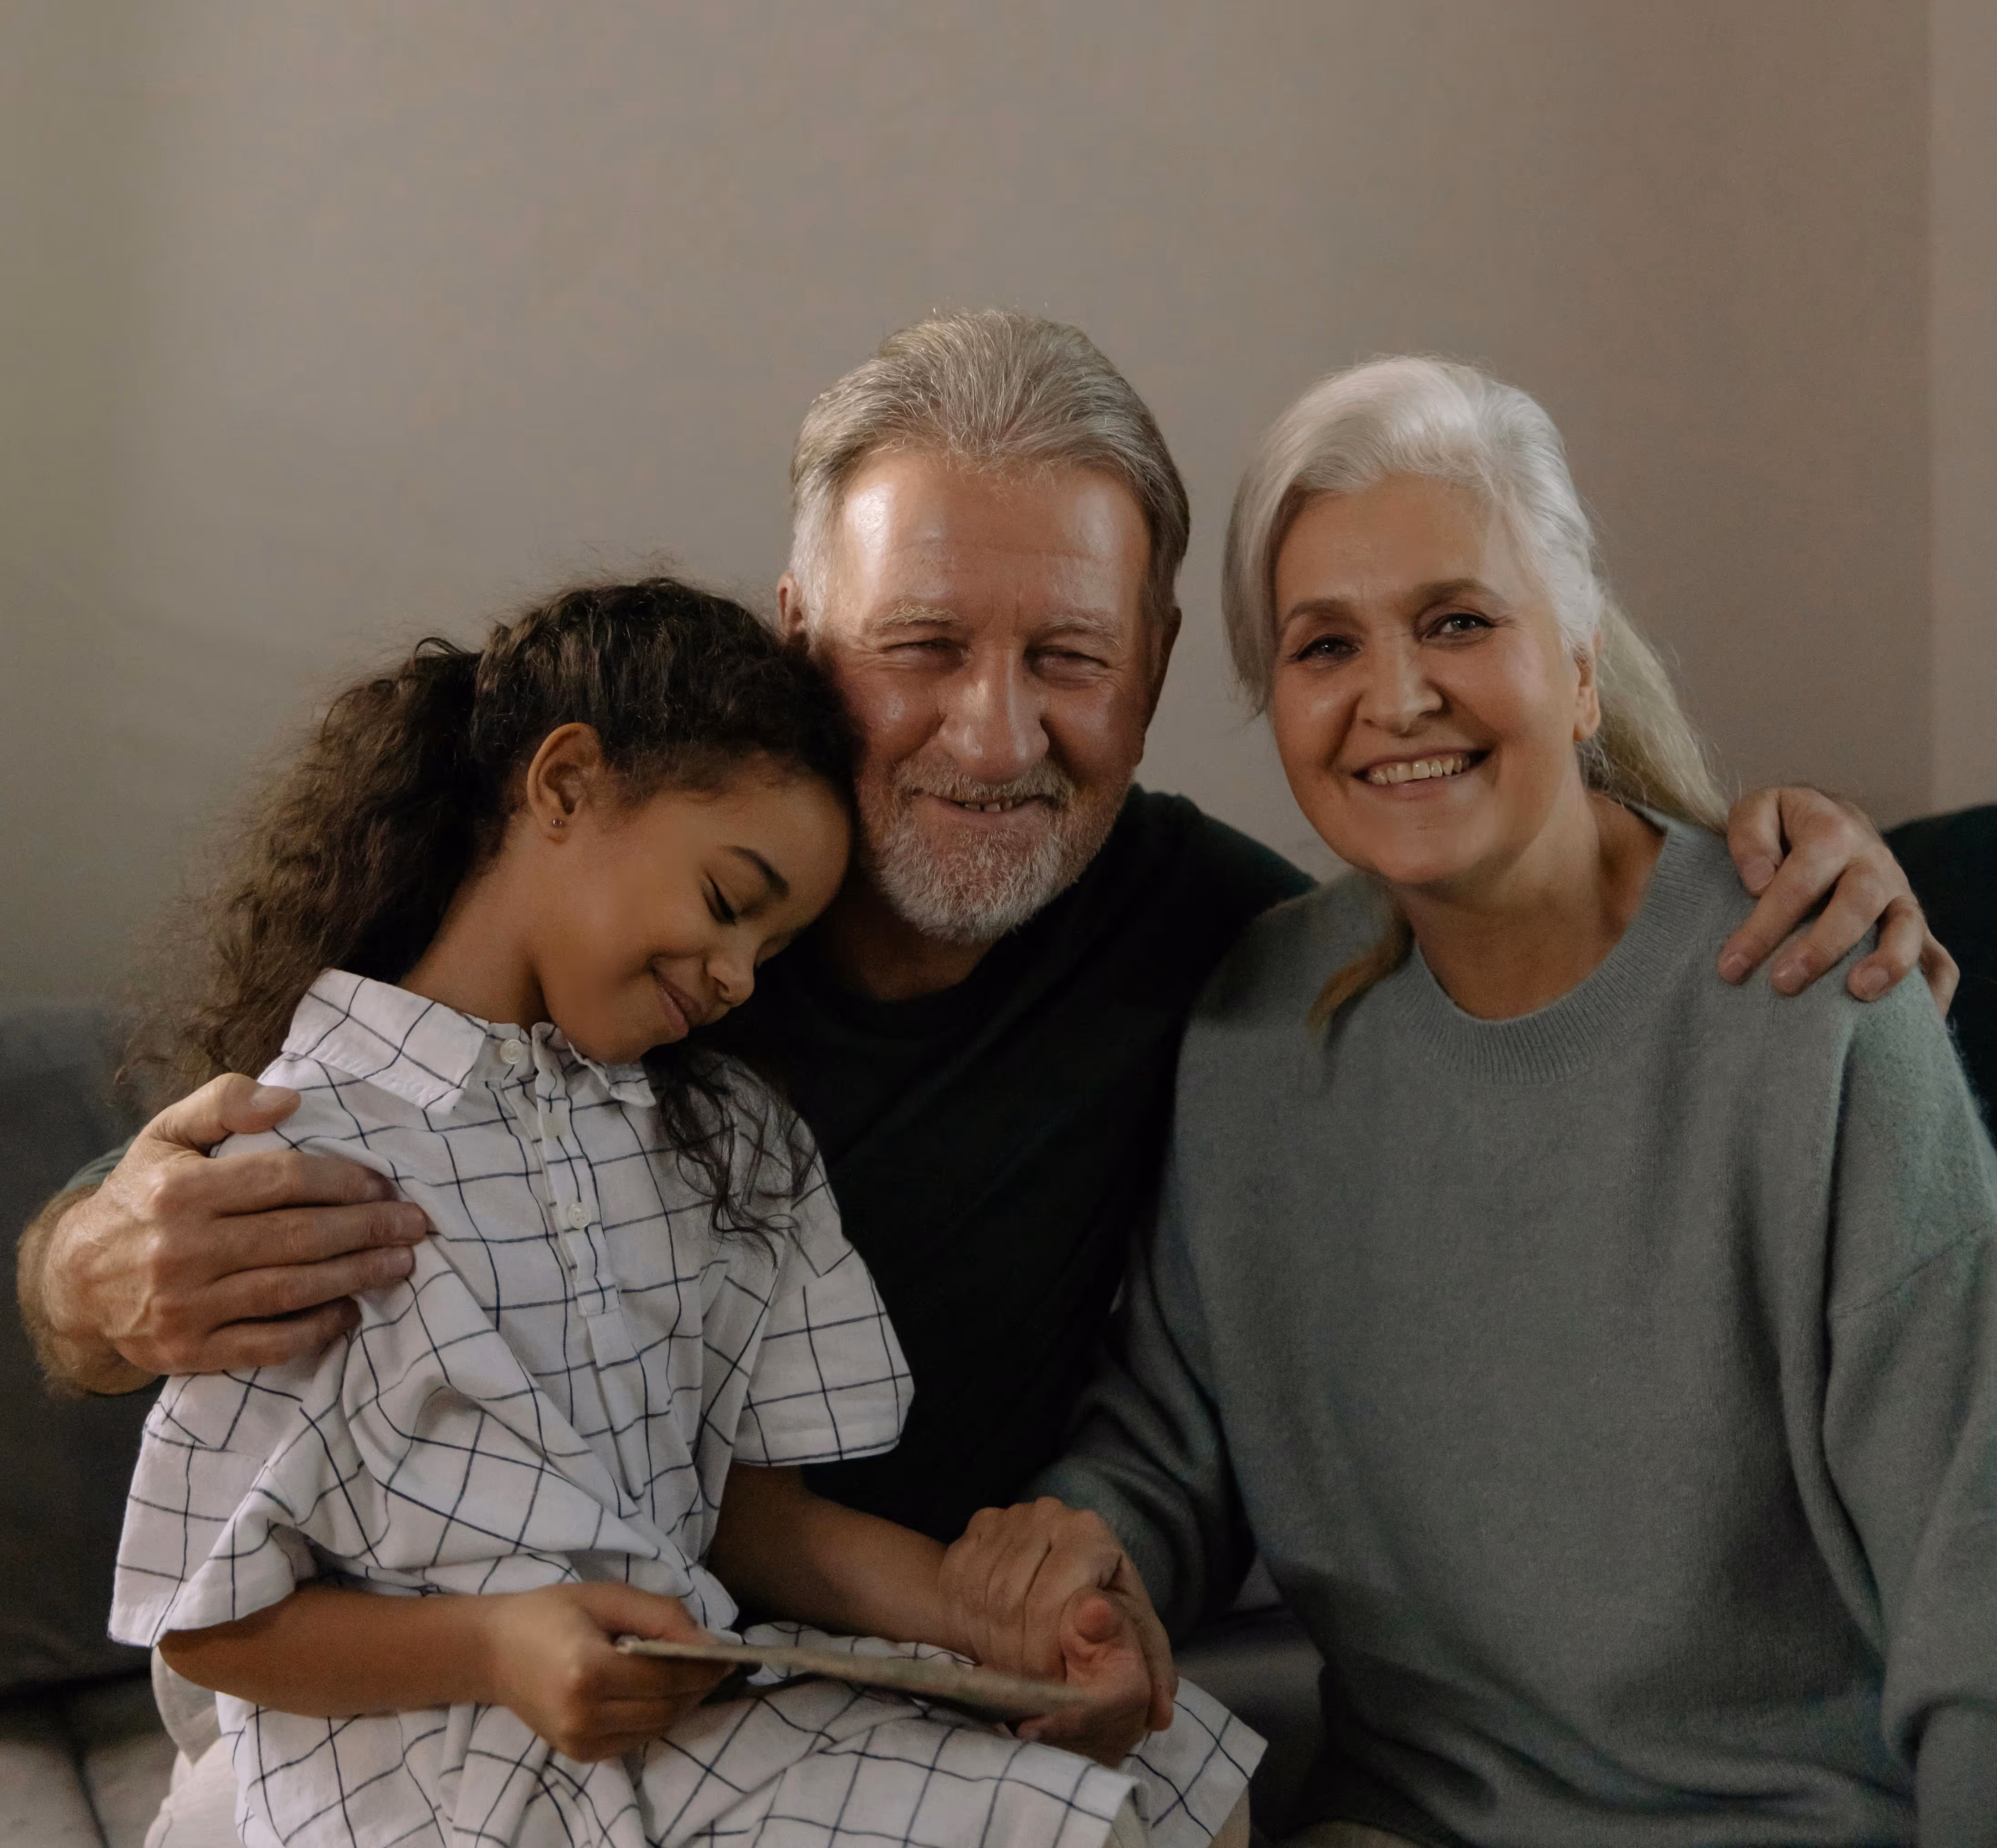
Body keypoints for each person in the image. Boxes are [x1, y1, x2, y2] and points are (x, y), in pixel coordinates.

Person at [13, 314, 1955, 1816]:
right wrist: (86, 1271)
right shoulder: (619, 951)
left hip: (923, 1688)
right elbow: (243, 1206)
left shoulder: (1247, 961)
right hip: (512, 1712)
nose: (994, 731)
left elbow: (1492, 901)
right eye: (922, 644)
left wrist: (1775, 848)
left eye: (1071, 657)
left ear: (1174, 662)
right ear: (800, 633)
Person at [954, 358, 1997, 1846]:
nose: (1396, 697)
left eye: (1457, 621)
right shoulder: (1256, 1024)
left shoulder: (1816, 1007)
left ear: (1578, 665)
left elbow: (1981, 1589)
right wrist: (1081, 1557)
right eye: (1325, 646)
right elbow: (1174, 1440)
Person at [111, 576, 1259, 1848]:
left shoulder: (720, 1137)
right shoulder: (295, 1159)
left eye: (771, 949)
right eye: (727, 902)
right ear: (563, 788)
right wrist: (498, 1647)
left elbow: (749, 1519)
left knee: (1184, 1766)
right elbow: (209, 1622)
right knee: (1072, 1829)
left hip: (671, 1722)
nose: (733, 977)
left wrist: (989, 1622)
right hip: (424, 1776)